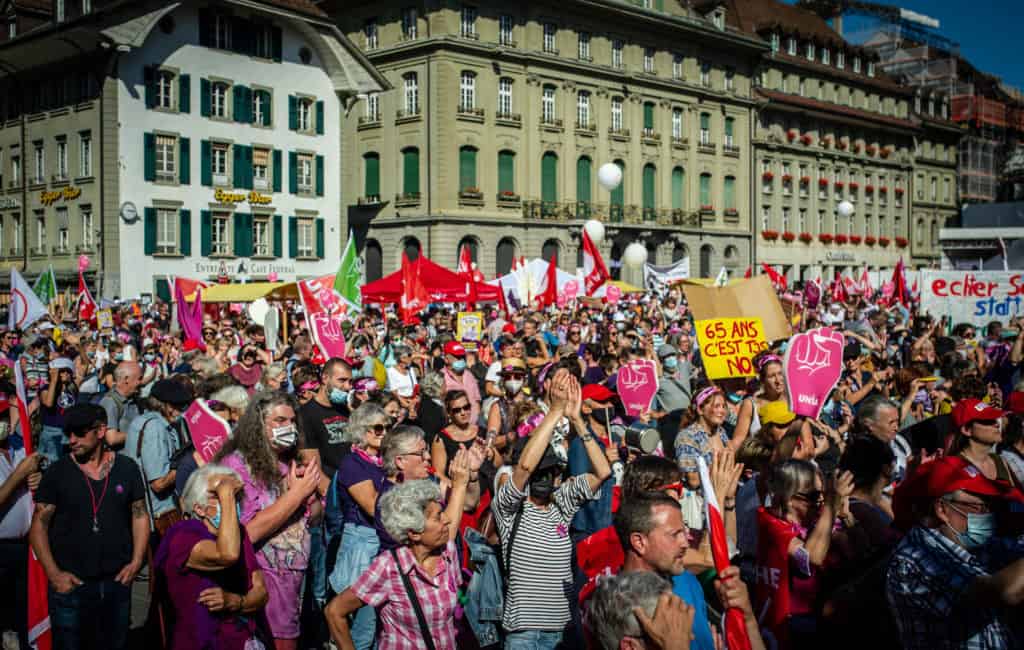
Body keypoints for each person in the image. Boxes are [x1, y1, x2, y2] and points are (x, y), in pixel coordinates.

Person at [495, 372, 611, 649]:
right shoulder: (511, 508)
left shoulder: (562, 504)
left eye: (550, 471)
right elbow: (524, 468)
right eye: (539, 472)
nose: (544, 478)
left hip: (562, 632)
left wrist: (577, 420)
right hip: (524, 634)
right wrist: (555, 410)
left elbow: (603, 471)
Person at [29, 404, 149, 650]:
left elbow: (139, 515)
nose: (72, 440)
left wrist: (136, 561)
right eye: (68, 433)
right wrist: (54, 575)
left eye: (79, 433)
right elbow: (38, 526)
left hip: (116, 582)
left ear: (101, 431)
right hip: (72, 586)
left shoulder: (127, 468)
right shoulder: (57, 473)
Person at [215, 392, 321, 650]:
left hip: (292, 582)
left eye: (292, 421)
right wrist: (296, 495)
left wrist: (308, 496)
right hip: (261, 581)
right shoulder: (237, 466)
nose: (289, 428)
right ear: (259, 425)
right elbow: (247, 533)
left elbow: (316, 516)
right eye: (280, 420)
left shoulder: (289, 461)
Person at [887, 455, 1024, 649]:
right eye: (979, 506)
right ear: (942, 509)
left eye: (990, 505)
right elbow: (1002, 592)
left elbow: (1013, 551)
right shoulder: (914, 558)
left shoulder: (970, 539)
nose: (987, 514)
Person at [324, 473, 471, 650]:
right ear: (414, 533)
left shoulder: (449, 551)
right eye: (438, 516)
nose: (447, 520)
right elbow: (334, 611)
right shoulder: (388, 566)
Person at [611, 493, 765, 650]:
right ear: (639, 542)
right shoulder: (616, 607)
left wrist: (747, 618)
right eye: (674, 534)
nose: (685, 543)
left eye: (683, 531)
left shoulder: (687, 580)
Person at [155, 463, 270, 650]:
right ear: (200, 509)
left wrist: (236, 602)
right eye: (220, 496)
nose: (233, 502)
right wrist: (225, 491)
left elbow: (261, 592)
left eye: (236, 496)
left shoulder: (238, 534)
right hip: (201, 642)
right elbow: (227, 555)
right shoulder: (184, 537)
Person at [755, 460, 855, 649]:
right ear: (789, 498)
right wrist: (830, 508)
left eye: (823, 495)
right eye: (814, 496)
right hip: (789, 624)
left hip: (820, 616)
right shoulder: (771, 523)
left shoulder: (818, 521)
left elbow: (857, 553)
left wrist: (846, 517)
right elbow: (810, 558)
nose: (820, 502)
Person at [326, 403, 389, 649]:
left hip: (381, 542)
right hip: (362, 543)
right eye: (378, 428)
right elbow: (374, 507)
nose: (385, 433)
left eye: (387, 427)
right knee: (364, 623)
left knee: (380, 624)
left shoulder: (384, 462)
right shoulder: (353, 463)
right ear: (363, 433)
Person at [125, 378, 193, 534]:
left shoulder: (146, 421)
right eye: (179, 406)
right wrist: (188, 462)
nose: (181, 412)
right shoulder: (155, 429)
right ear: (166, 406)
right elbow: (159, 483)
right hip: (160, 515)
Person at [0, 418, 42, 650]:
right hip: (1, 549)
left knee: (24, 614)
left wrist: (38, 479)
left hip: (25, 546)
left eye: (4, 416)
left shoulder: (21, 448)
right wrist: (18, 475)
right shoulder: (21, 461)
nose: (2, 423)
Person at [298, 357, 353, 486]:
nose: (347, 387)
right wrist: (331, 496)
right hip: (332, 487)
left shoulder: (347, 409)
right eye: (342, 380)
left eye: (350, 381)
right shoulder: (305, 414)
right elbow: (312, 466)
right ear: (325, 378)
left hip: (353, 484)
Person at [949, 398, 1015, 484]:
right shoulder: (953, 468)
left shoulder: (999, 461)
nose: (997, 424)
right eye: (988, 420)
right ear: (966, 430)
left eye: (995, 419)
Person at [431, 390, 480, 481]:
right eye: (457, 410)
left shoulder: (481, 431)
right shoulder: (441, 439)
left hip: (488, 491)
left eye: (466, 407)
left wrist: (491, 453)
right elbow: (438, 474)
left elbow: (498, 463)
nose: (463, 412)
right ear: (449, 413)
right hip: (461, 491)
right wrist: (456, 490)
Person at [38, 358, 79, 462]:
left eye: (68, 371)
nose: (65, 374)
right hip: (51, 432)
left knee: (65, 463)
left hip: (67, 432)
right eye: (61, 371)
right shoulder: (46, 388)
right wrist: (54, 380)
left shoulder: (72, 389)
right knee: (49, 464)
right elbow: (48, 403)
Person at [99, 361, 143, 448]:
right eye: (139, 378)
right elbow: (111, 438)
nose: (142, 382)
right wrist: (140, 434)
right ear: (126, 379)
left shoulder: (133, 399)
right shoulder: (110, 402)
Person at [441, 341, 481, 424]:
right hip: (454, 429)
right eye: (457, 357)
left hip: (473, 427)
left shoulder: (469, 375)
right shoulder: (441, 377)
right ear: (446, 359)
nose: (461, 360)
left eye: (463, 357)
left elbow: (476, 400)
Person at [651, 343, 692, 415]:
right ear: (661, 361)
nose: (670, 358)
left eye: (672, 355)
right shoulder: (659, 380)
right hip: (671, 421)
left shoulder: (684, 368)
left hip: (689, 417)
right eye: (666, 357)